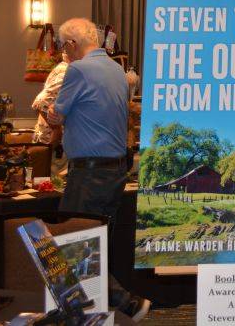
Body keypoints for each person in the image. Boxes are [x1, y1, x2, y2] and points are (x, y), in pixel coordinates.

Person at [47, 18, 150, 321]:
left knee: (71, 243)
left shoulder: (78, 70)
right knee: (95, 244)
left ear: (71, 44)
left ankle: (126, 301)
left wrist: (54, 114)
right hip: (115, 171)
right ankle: (94, 314)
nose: (63, 53)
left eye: (63, 46)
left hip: (89, 173)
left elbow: (56, 116)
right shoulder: (117, 71)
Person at [31, 50, 71, 176]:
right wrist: (56, 129)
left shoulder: (63, 68)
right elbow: (41, 101)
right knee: (53, 186)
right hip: (53, 141)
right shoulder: (66, 71)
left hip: (51, 139)